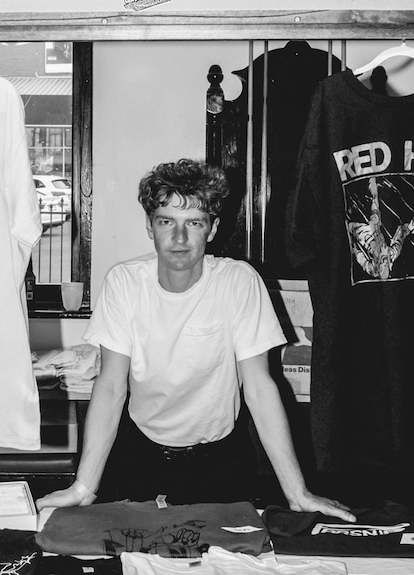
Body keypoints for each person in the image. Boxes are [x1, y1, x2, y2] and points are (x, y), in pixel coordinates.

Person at [36, 159, 354, 522]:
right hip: (137, 452)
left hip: (221, 460)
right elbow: (110, 387)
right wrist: (83, 487)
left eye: (194, 223)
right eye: (166, 221)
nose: (180, 238)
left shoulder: (238, 282)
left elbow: (259, 388)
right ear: (149, 226)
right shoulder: (124, 282)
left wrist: (297, 493)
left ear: (213, 228)